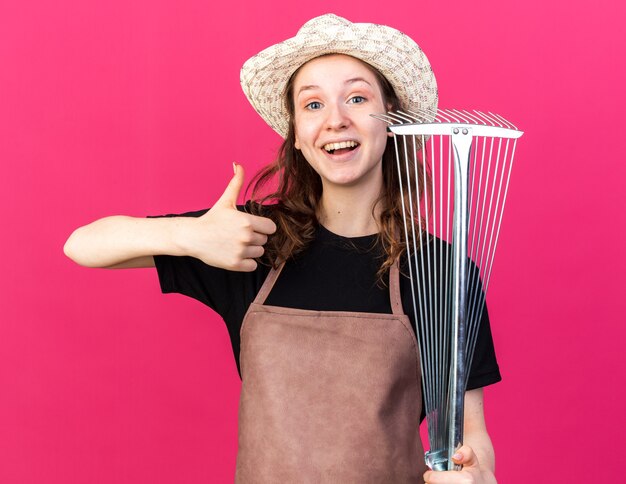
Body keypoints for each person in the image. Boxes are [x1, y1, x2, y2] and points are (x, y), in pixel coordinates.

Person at [64, 14, 501, 483]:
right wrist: (190, 236)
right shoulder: (251, 239)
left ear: (391, 118)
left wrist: (475, 476)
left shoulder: (440, 270)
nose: (336, 119)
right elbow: (83, 245)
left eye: (357, 97)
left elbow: (470, 437)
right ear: (296, 131)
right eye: (313, 104)